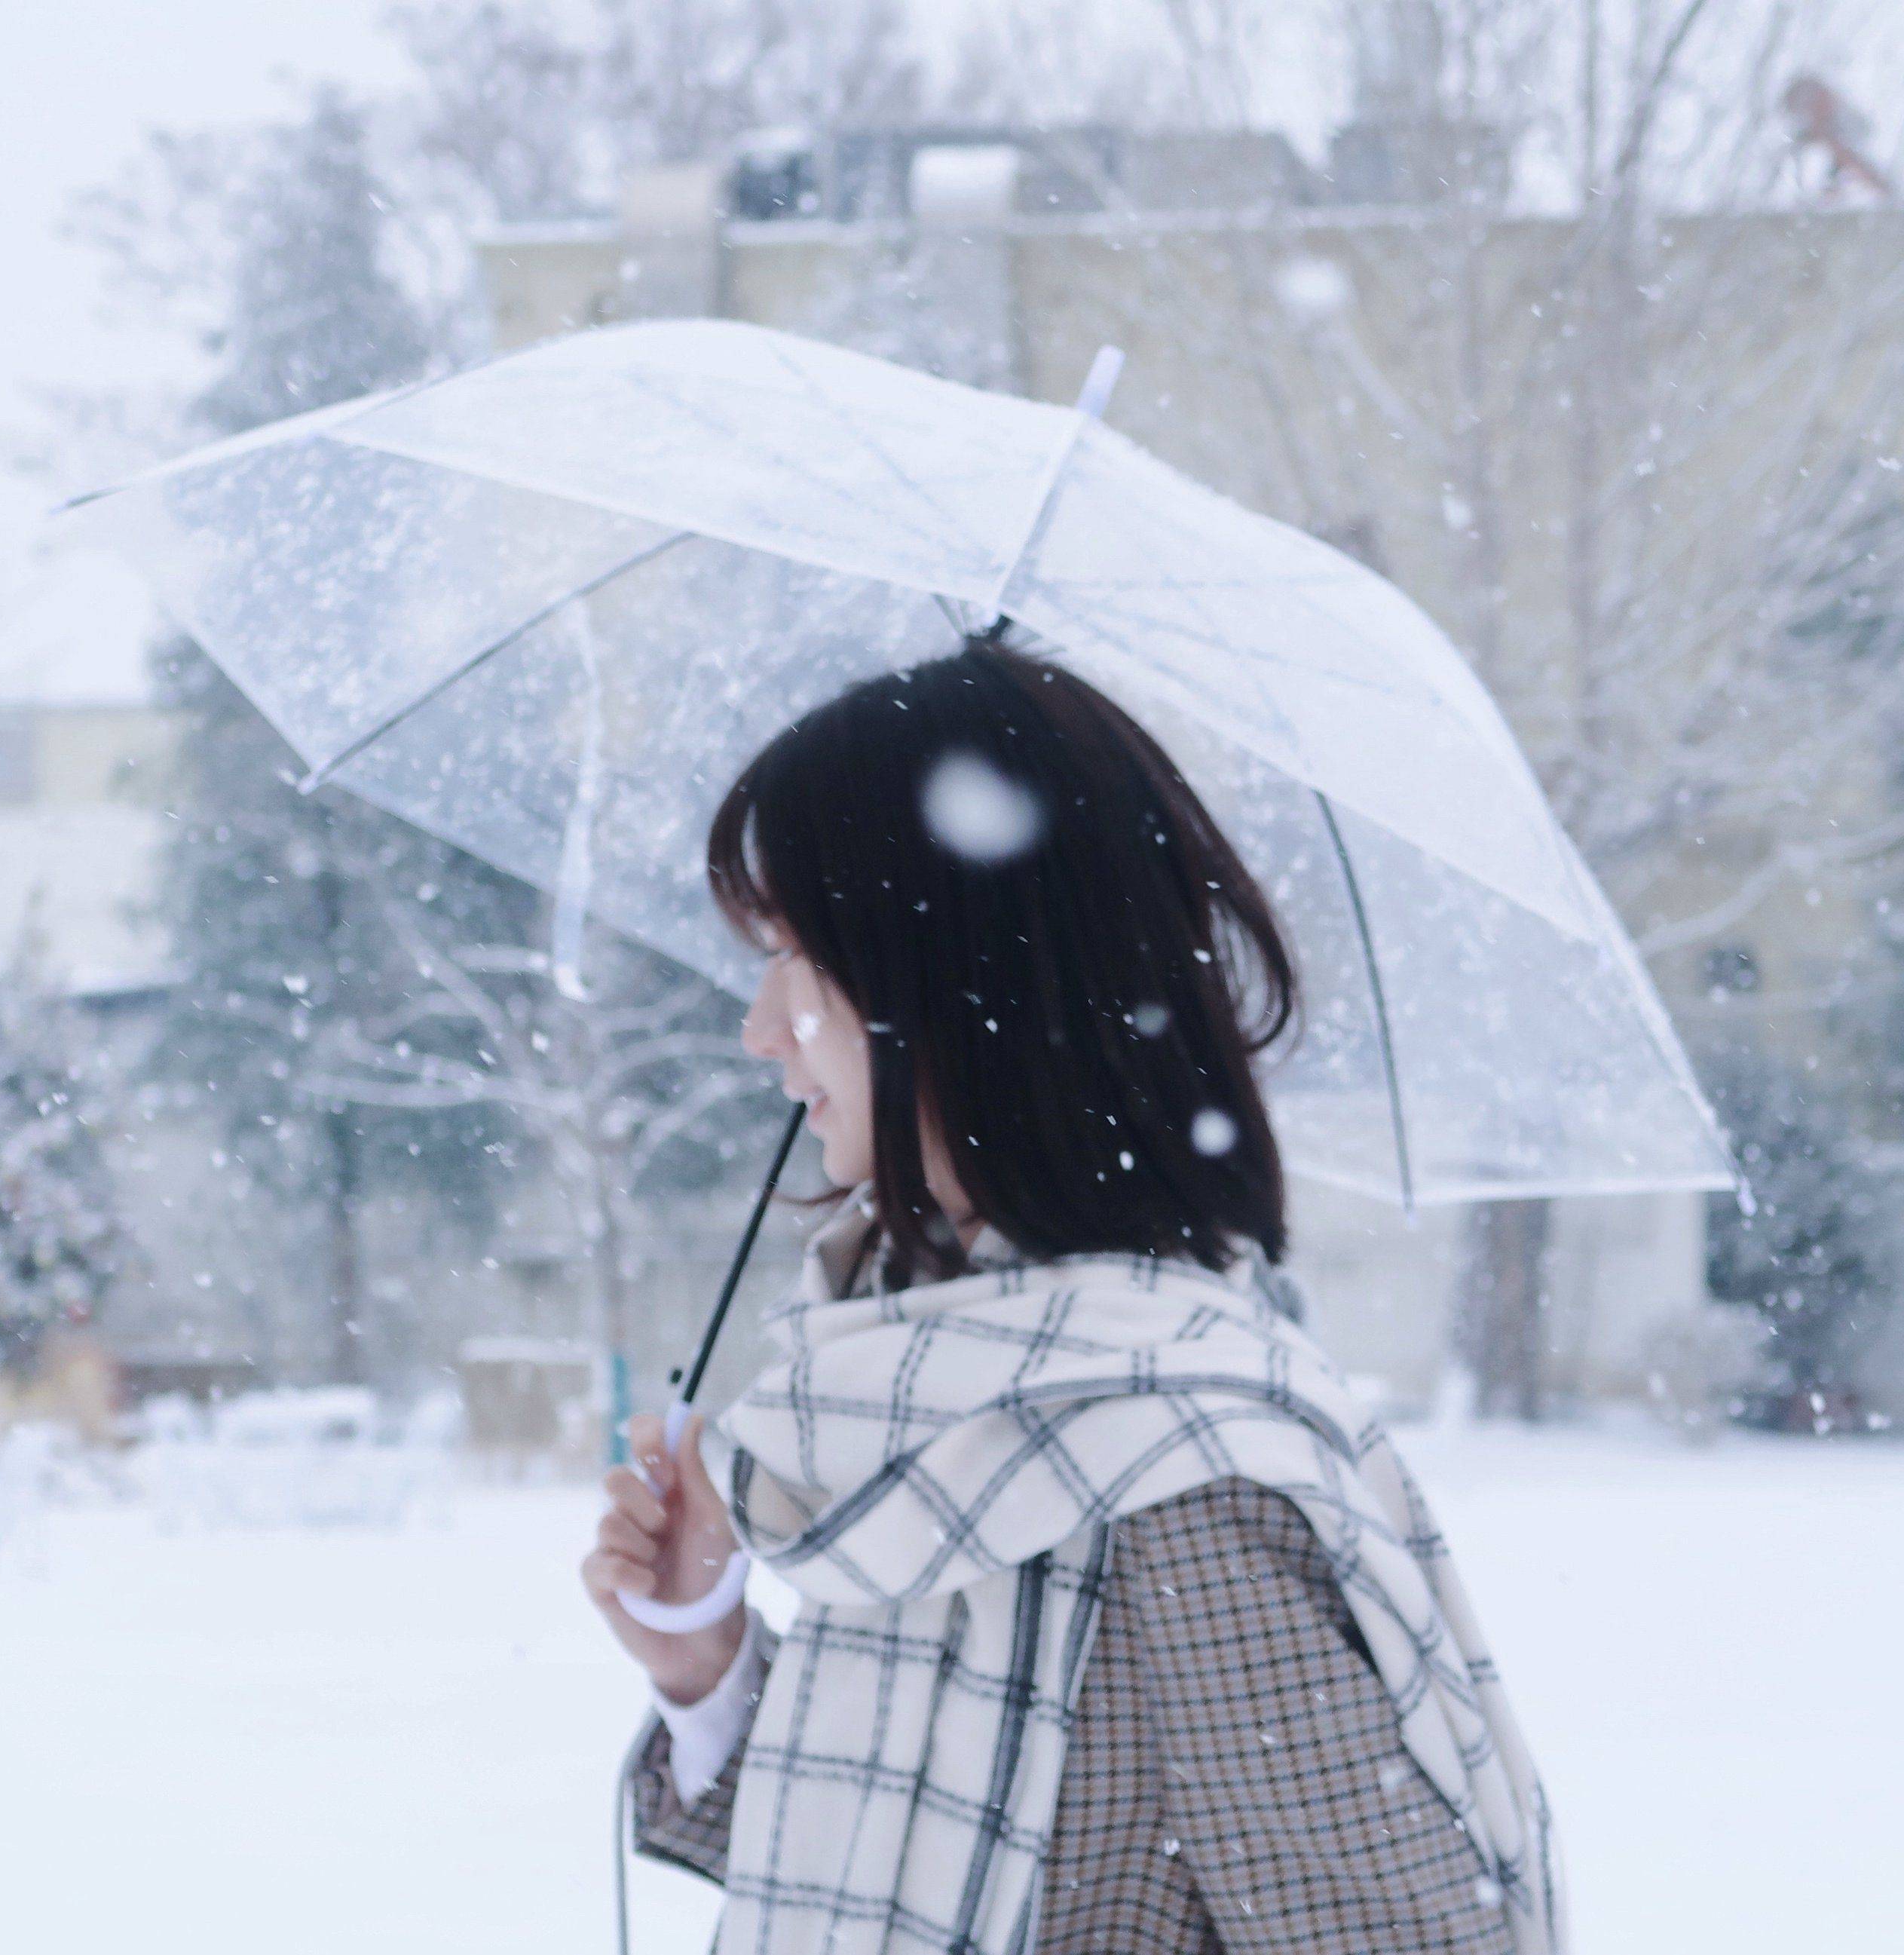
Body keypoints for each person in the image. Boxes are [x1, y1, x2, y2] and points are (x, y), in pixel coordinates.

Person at [581, 632, 1559, 1955]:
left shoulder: (1184, 1489)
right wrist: (710, 1673)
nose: (760, 1026)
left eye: (796, 957)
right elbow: (917, 1859)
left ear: (944, 984)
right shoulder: (944, 1400)